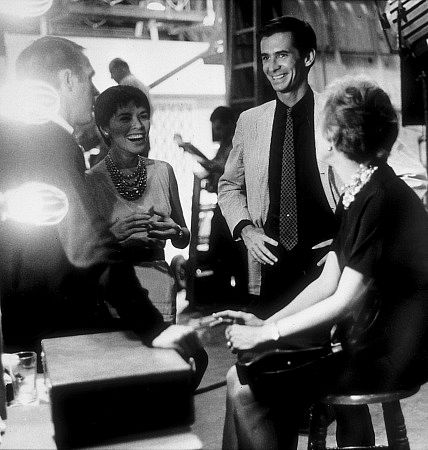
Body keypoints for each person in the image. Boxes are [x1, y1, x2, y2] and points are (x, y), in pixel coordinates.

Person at [215, 76, 428, 450]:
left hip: (388, 354)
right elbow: (326, 282)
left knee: (246, 389)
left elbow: (343, 299)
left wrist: (268, 335)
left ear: (332, 138)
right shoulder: (362, 190)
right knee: (238, 379)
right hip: (367, 342)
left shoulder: (379, 197)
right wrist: (268, 321)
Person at [0, 37, 207, 385]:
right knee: (187, 362)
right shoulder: (51, 139)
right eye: (88, 79)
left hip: (26, 316)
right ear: (67, 80)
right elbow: (88, 243)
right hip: (60, 321)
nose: (94, 91)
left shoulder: (13, 136)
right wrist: (151, 326)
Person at [218, 16, 427, 319]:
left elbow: (411, 175)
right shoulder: (250, 122)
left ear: (308, 57)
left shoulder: (339, 113)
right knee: (262, 348)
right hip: (271, 266)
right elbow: (229, 187)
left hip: (329, 266)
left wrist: (353, 234)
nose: (271, 66)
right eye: (265, 57)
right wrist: (246, 229)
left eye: (282, 55)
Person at [87, 85, 190, 323]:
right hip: (115, 289)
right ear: (104, 128)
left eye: (143, 116)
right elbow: (85, 250)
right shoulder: (91, 180)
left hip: (161, 285)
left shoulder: (163, 171)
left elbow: (184, 237)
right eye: (125, 118)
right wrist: (112, 236)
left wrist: (174, 230)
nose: (138, 125)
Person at [176, 106, 248, 304]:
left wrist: (192, 151)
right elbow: (217, 171)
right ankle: (225, 298)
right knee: (221, 253)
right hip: (224, 206)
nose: (215, 132)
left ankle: (238, 299)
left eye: (218, 128)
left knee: (233, 254)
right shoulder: (225, 145)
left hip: (236, 207)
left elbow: (223, 168)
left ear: (228, 125)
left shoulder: (237, 144)